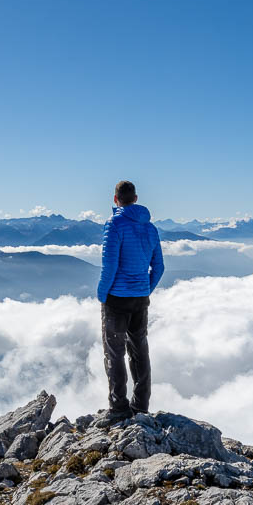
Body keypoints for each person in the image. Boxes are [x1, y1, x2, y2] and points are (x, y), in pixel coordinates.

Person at [96, 180, 165, 423]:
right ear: (135, 199)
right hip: (140, 300)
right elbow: (159, 267)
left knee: (114, 354)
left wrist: (102, 295)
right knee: (139, 352)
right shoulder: (151, 228)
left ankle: (119, 408)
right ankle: (141, 406)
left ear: (115, 200)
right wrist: (145, 289)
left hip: (116, 299)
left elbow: (110, 265)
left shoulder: (114, 224)